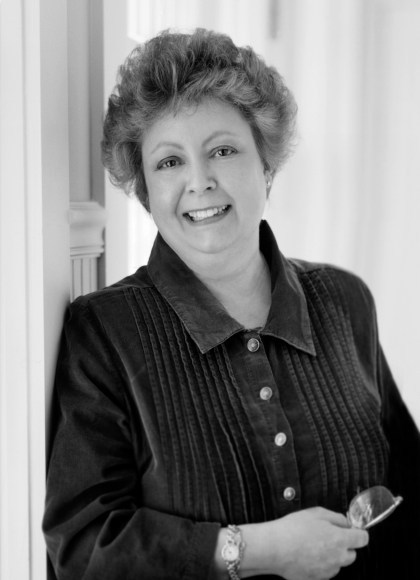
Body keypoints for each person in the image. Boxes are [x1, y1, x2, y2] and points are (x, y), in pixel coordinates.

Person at [43, 28, 420, 580]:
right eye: (169, 162)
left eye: (223, 150)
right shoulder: (104, 332)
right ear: (145, 191)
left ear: (266, 165)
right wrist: (256, 549)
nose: (199, 182)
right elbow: (81, 547)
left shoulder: (346, 301)